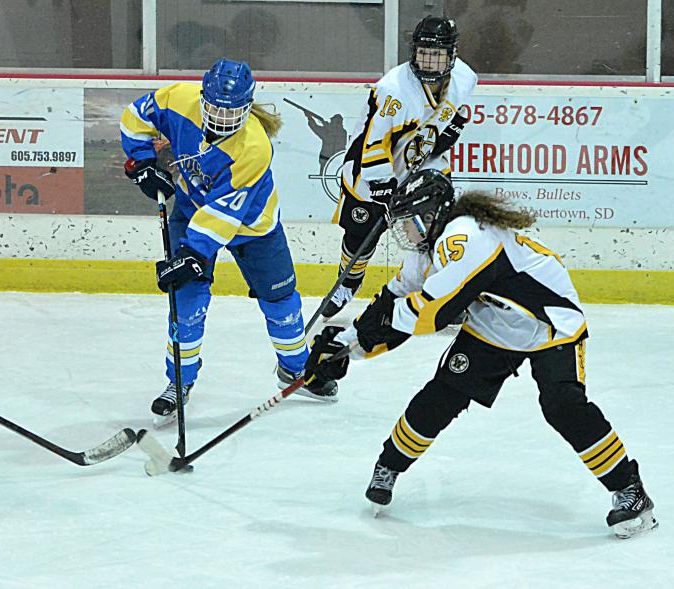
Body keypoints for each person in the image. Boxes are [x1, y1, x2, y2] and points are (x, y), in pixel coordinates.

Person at [304, 170, 658, 539]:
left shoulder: (466, 235)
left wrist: (364, 336)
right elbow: (394, 301)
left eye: (409, 222)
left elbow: (429, 313)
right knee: (442, 395)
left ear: (432, 215)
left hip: (549, 324)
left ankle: (630, 491)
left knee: (564, 404)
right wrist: (346, 346)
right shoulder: (426, 249)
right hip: (492, 323)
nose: (404, 233)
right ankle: (388, 466)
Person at [120, 57, 338, 427]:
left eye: (232, 111)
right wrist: (141, 163)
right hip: (191, 213)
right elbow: (134, 117)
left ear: (248, 106)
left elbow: (223, 215)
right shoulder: (178, 99)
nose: (221, 118)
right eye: (215, 108)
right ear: (202, 96)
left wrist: (192, 253)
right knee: (187, 301)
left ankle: (296, 369)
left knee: (281, 301)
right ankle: (179, 382)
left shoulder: (253, 147)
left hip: (252, 226)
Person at [322, 15, 478, 319]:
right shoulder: (394, 90)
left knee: (435, 230)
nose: (429, 61)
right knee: (359, 234)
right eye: (423, 53)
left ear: (451, 55)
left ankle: (438, 291)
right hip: (370, 172)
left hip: (424, 165)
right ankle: (348, 283)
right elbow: (374, 141)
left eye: (436, 54)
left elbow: (455, 112)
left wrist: (451, 129)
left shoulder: (464, 78)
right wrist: (383, 186)